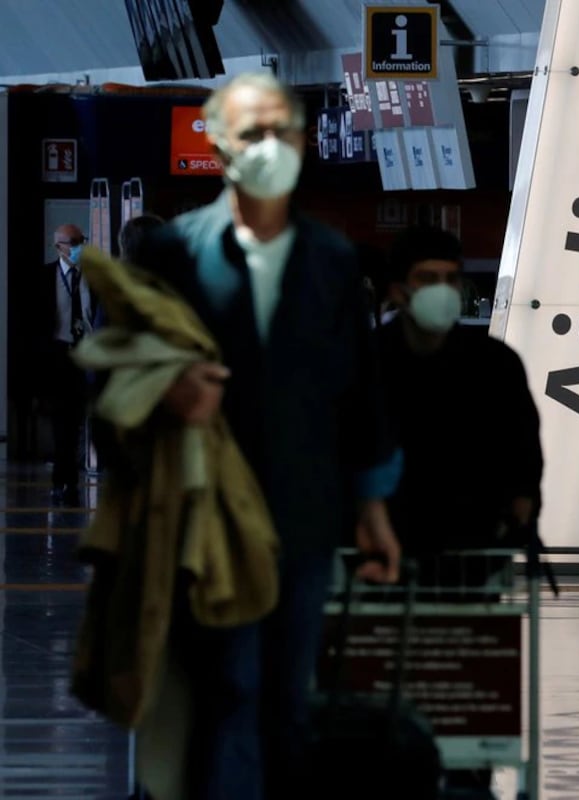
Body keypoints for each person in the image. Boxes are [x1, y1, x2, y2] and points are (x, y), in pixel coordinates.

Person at [130, 71, 402, 800]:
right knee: (229, 688)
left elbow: (360, 391)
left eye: (283, 132)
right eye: (253, 134)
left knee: (289, 695)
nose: (270, 147)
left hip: (304, 513)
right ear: (219, 145)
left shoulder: (332, 261)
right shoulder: (172, 257)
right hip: (205, 513)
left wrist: (373, 505)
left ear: (304, 144)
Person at [376, 225, 543, 797]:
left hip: (470, 549)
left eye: (450, 279)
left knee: (464, 664)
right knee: (390, 668)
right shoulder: (366, 362)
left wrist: (520, 513)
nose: (442, 290)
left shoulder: (493, 363)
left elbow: (524, 451)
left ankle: (468, 771)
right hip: (384, 550)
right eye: (428, 279)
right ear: (397, 289)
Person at [37, 223, 98, 506]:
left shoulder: (93, 277)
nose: (77, 247)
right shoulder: (44, 277)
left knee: (75, 420)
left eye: (81, 240)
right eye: (72, 242)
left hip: (86, 353)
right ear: (57, 246)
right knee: (62, 421)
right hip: (58, 355)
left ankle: (64, 481)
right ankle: (65, 481)